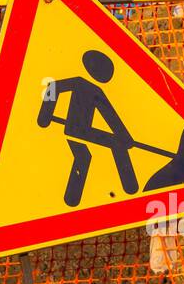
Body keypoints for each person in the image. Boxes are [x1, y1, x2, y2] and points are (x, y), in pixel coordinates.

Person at [38, 50, 139, 207]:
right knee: (98, 151)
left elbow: (110, 116)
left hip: (81, 130)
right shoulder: (81, 83)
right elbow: (53, 87)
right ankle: (130, 186)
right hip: (76, 128)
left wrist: (125, 136)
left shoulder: (96, 91)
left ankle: (73, 199)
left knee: (85, 155)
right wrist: (45, 114)